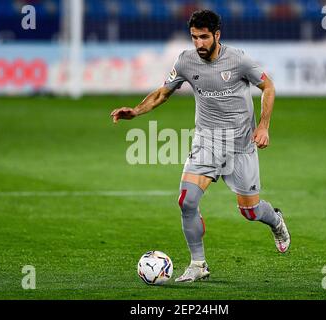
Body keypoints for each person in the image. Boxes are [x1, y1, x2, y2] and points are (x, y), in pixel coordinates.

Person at [110, 9, 291, 283]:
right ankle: (198, 264)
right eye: (194, 37)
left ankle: (275, 220)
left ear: (217, 35)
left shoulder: (239, 60)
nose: (199, 44)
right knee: (187, 201)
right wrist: (136, 111)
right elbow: (163, 92)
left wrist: (263, 126)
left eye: (204, 37)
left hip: (241, 145)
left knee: (250, 211)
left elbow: (268, 87)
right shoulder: (185, 61)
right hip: (206, 142)